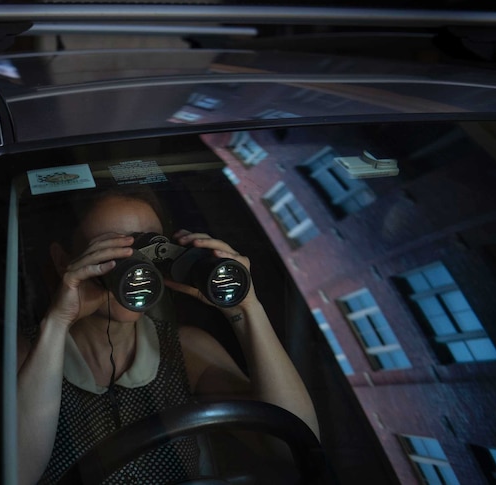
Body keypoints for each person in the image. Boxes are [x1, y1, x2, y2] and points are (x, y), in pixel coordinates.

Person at [17, 188, 319, 484]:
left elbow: (294, 446)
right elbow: (16, 474)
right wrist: (57, 322)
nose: (137, 266)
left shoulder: (185, 350)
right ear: (63, 260)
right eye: (113, 248)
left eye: (149, 246)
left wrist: (246, 308)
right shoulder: (28, 354)